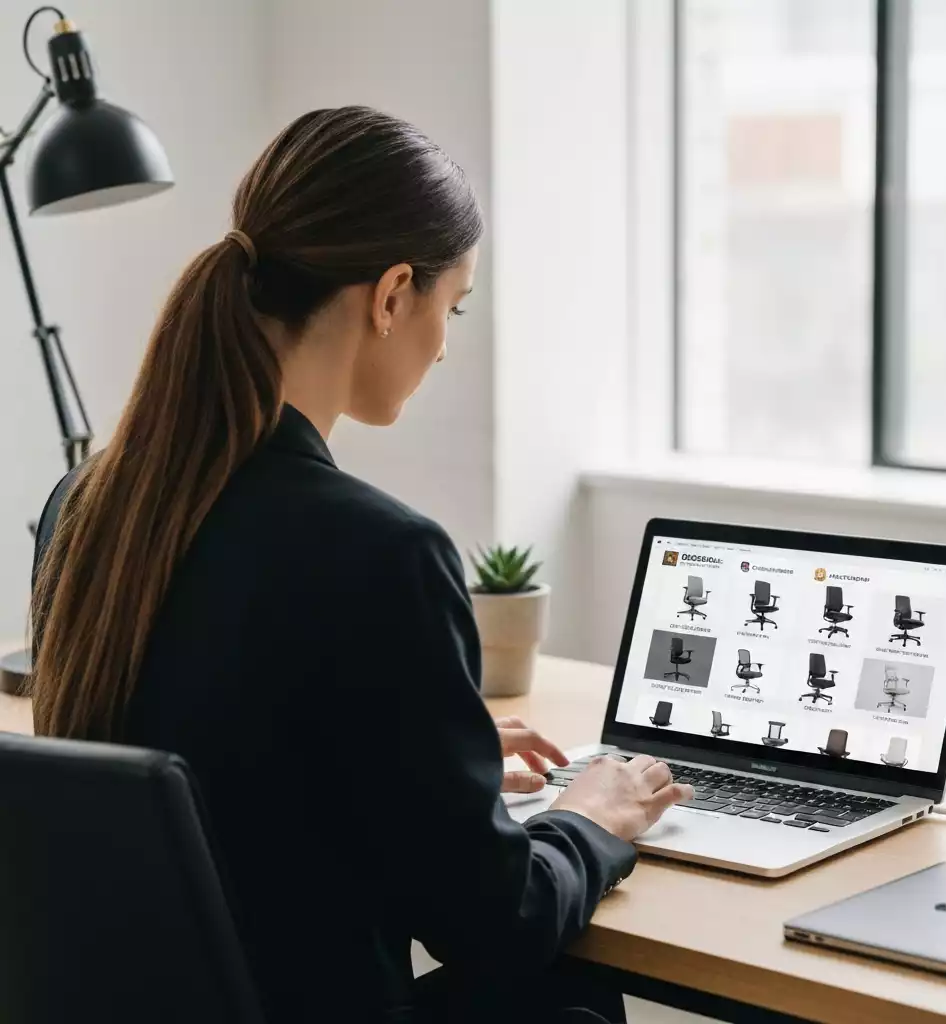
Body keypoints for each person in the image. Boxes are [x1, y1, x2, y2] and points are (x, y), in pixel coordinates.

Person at [29, 106, 689, 1023]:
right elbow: (495, 922)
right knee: (567, 996)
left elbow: (216, 756)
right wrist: (591, 818)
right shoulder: (382, 552)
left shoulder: (88, 506)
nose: (446, 342)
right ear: (389, 296)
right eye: (450, 306)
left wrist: (419, 754)